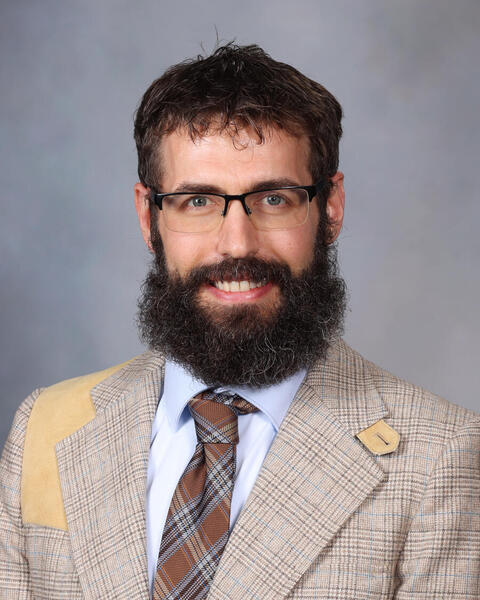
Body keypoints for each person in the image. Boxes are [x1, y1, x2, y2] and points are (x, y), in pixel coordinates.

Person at [1, 43, 479, 600]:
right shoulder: (45, 427)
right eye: (197, 201)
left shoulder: (441, 457)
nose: (236, 243)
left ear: (330, 209)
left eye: (273, 199)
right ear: (148, 217)